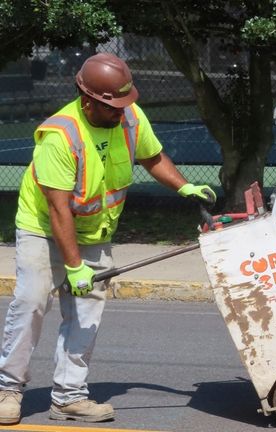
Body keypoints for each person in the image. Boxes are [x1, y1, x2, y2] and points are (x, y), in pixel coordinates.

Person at [0, 53, 216, 424]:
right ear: (89, 101)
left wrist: (184, 188)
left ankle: (69, 396)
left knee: (86, 312)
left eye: (124, 103)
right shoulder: (61, 135)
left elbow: (153, 157)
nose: (122, 112)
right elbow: (58, 210)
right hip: (44, 228)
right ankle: (7, 389)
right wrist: (73, 266)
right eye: (113, 106)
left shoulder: (129, 116)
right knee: (32, 301)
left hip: (95, 230)